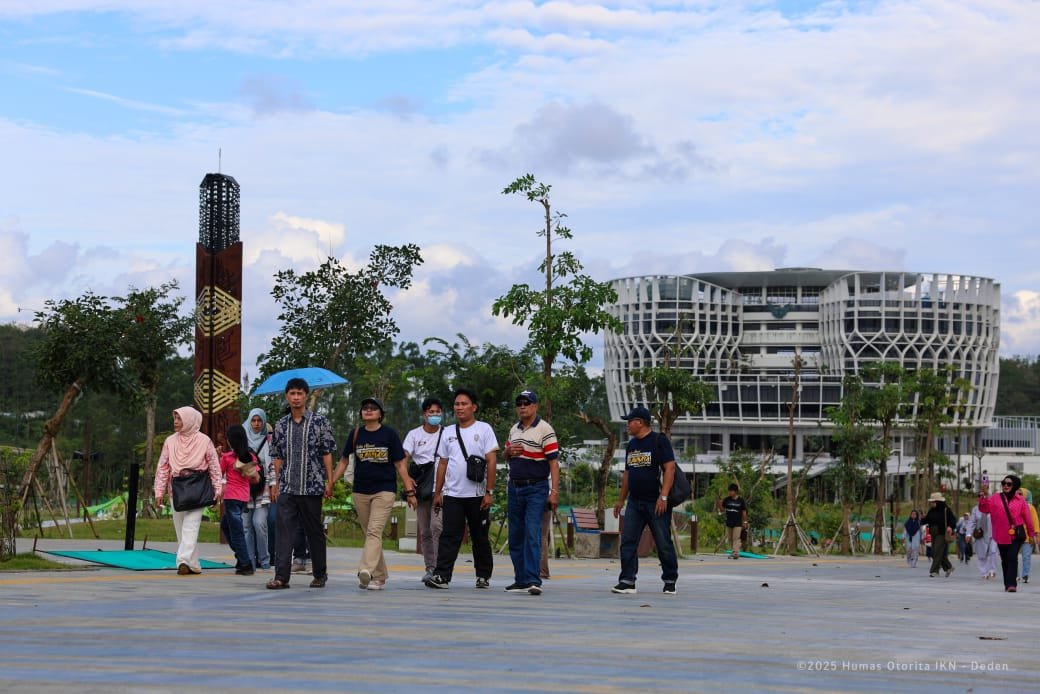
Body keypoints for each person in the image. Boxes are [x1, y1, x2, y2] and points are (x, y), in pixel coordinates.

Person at [333, 397, 415, 590]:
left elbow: (400, 465)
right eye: (365, 408)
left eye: (373, 408)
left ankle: (366, 570)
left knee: (373, 531)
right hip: (360, 491)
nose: (368, 410)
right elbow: (344, 461)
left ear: (380, 414)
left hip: (384, 490)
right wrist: (330, 483)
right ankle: (380, 577)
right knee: (371, 535)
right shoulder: (355, 435)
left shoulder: (389, 434)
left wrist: (409, 490)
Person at [265, 378, 337, 590]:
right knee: (284, 532)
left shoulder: (319, 422)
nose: (296, 397)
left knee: (313, 531)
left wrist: (329, 480)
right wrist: (276, 482)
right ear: (287, 396)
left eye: (300, 394)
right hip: (287, 486)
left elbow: (327, 453)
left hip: (312, 486)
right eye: (292, 394)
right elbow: (277, 455)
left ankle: (319, 574)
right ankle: (281, 577)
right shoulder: (280, 425)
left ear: (306, 396)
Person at [425, 388, 498, 590]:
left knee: (480, 536)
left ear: (473, 407)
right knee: (449, 535)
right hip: (453, 494)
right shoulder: (447, 431)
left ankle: (483, 576)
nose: (459, 407)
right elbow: (442, 463)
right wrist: (438, 493)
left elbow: (492, 461)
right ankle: (442, 575)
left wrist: (489, 492)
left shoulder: (484, 429)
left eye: (464, 404)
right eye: (456, 404)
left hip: (477, 495)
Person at [611, 406, 679, 595]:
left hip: (655, 501)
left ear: (639, 422)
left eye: (629, 421)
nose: (627, 425)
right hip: (635, 501)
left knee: (663, 542)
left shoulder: (659, 441)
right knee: (628, 541)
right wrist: (620, 499)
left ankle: (670, 579)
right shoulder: (632, 445)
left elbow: (670, 468)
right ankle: (627, 580)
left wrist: (663, 496)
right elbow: (627, 474)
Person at [503, 389, 560, 595]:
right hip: (515, 486)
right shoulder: (514, 429)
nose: (522, 406)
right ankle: (520, 579)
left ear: (535, 406)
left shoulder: (545, 429)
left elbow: (554, 463)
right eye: (519, 403)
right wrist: (508, 452)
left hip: (536, 487)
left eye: (527, 403)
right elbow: (506, 455)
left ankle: (533, 579)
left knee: (532, 532)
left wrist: (554, 491)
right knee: (516, 534)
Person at [154, 406, 223, 575]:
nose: (176, 422)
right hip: (176, 489)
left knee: (191, 526)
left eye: (179, 419)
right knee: (181, 529)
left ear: (190, 420)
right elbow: (163, 467)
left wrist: (218, 487)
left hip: (198, 487)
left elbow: (214, 465)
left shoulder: (204, 441)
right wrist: (159, 490)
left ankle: (183, 560)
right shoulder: (170, 441)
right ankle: (192, 564)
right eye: (175, 418)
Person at [401, 397, 446, 583]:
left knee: (438, 527)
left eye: (437, 412)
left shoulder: (448, 433)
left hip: (442, 488)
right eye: (430, 412)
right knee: (425, 530)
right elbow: (402, 459)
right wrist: (408, 482)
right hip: (421, 488)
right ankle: (430, 567)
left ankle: (441, 568)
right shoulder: (414, 435)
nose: (434, 415)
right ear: (424, 414)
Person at [977, 475, 1036, 592]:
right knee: (1005, 559)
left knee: (1012, 557)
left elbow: (1027, 518)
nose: (1005, 486)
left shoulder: (1020, 500)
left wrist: (1031, 534)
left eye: (1009, 484)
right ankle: (1007, 583)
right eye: (1004, 483)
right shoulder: (995, 498)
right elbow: (984, 509)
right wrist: (983, 496)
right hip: (1001, 534)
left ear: (1014, 486)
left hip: (1016, 534)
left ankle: (1012, 585)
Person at [219, 423, 259, 575]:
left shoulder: (228, 458)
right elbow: (256, 479)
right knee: (226, 526)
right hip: (243, 498)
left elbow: (218, 473)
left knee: (236, 532)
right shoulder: (251, 457)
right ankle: (241, 557)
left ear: (230, 441)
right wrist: (246, 473)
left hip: (231, 497)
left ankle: (246, 563)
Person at [243, 408, 273, 570]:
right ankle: (249, 561)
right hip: (245, 487)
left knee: (259, 522)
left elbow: (272, 465)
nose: (256, 424)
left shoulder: (268, 440)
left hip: (263, 487)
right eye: (253, 420)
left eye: (259, 421)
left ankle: (264, 559)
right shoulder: (242, 440)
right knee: (246, 526)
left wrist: (274, 485)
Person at [922, 491, 957, 578]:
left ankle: (934, 571)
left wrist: (950, 526)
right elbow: (927, 520)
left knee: (937, 552)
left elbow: (953, 520)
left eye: (932, 502)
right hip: (933, 533)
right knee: (936, 552)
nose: (931, 503)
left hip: (942, 534)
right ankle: (948, 567)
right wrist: (922, 518)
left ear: (937, 502)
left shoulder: (946, 510)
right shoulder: (931, 511)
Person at [965, 501, 997, 580]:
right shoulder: (976, 509)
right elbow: (972, 522)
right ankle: (984, 572)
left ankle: (992, 570)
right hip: (980, 534)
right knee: (981, 554)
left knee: (993, 551)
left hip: (994, 533)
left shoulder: (995, 506)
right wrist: (968, 534)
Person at [1016, 488, 1039, 583]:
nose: (1019, 495)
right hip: (1014, 536)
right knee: (1013, 557)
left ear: (1025, 496)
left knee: (1026, 557)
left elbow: (1035, 522)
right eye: (1017, 494)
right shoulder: (1011, 505)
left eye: (1021, 494)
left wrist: (1036, 535)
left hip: (1027, 537)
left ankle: (1025, 575)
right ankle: (1015, 575)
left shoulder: (1030, 507)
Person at [721, 483, 748, 560]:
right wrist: (719, 503)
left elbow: (744, 511)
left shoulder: (741, 500)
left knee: (736, 538)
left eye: (731, 491)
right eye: (729, 491)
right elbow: (722, 510)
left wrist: (745, 522)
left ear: (735, 491)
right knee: (730, 538)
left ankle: (736, 553)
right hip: (729, 522)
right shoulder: (726, 500)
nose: (730, 492)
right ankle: (734, 552)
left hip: (738, 522)